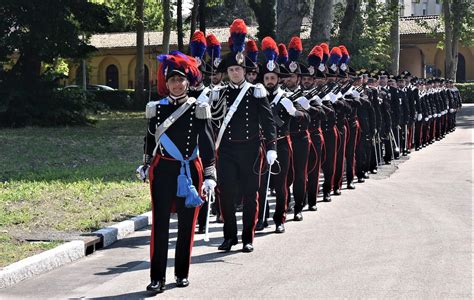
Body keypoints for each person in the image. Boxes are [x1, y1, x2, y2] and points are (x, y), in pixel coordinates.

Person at [139, 51, 216, 293]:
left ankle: (181, 272)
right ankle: (157, 277)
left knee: (186, 225)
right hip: (163, 170)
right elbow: (150, 140)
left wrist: (211, 174)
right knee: (160, 224)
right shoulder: (156, 109)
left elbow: (206, 143)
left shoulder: (198, 109)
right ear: (166, 83)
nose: (177, 84)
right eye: (172, 80)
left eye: (181, 79)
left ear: (188, 81)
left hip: (190, 171)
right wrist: (146, 163)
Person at [213, 19, 277, 253]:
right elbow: (213, 122)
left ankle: (248, 237)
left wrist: (271, 147)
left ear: (244, 71)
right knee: (226, 194)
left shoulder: (256, 91)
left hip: (251, 149)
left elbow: (268, 121)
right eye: (230, 70)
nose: (234, 73)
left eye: (238, 70)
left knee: (252, 194)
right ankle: (229, 236)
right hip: (228, 150)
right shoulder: (219, 94)